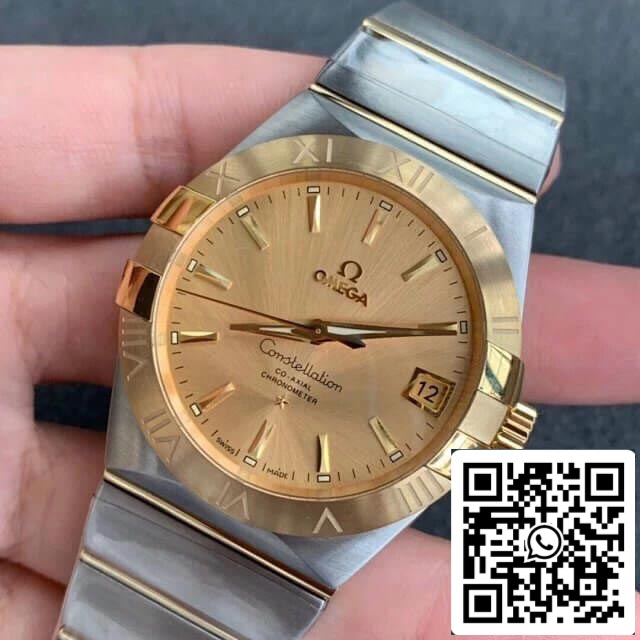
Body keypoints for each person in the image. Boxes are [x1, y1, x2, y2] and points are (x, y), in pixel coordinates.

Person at [0, 45, 637, 639]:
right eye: (317, 331)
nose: (320, 336)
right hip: (159, 475)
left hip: (277, 529)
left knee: (563, 582)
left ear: (498, 422)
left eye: (331, 334)